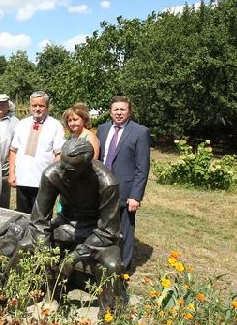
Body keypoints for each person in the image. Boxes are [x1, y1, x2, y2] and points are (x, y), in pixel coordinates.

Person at [30, 138, 123, 312]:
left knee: (112, 266)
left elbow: (109, 231)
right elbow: (39, 220)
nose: (62, 171)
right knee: (26, 245)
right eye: (61, 164)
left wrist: (73, 257)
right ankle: (14, 298)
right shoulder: (52, 174)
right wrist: (44, 251)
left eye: (69, 169)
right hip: (65, 225)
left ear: (86, 167)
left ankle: (109, 321)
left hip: (95, 233)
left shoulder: (107, 183)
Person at [97, 96, 150, 272]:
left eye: (122, 109)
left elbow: (143, 168)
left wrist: (136, 196)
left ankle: (123, 268)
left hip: (125, 191)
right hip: (103, 187)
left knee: (125, 230)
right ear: (110, 112)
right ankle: (103, 261)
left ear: (129, 112)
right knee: (103, 225)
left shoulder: (140, 132)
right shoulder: (102, 129)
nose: (119, 113)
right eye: (116, 109)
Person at [8, 91, 65, 214]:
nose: (37, 108)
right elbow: (13, 150)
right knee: (22, 216)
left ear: (47, 107)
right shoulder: (22, 124)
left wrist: (53, 178)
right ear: (30, 106)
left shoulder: (55, 125)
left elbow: (58, 155)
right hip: (22, 179)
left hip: (43, 182)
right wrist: (11, 173)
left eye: (41, 105)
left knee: (41, 218)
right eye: (34, 105)